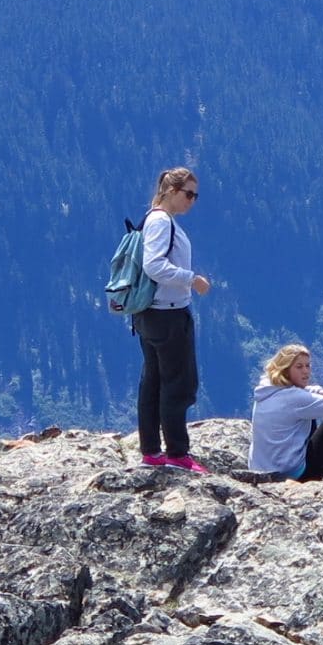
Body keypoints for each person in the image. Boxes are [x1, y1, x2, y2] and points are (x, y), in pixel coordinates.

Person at [135, 167, 209, 471]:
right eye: (188, 193)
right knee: (177, 384)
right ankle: (178, 453)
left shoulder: (153, 219)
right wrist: (191, 279)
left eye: (195, 195)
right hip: (168, 314)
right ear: (172, 191)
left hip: (150, 313)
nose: (192, 200)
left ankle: (152, 451)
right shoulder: (162, 222)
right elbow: (154, 266)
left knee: (152, 381)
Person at [248, 343, 323, 480]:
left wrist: (321, 392)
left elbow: (302, 395)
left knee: (311, 411)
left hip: (263, 472)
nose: (306, 371)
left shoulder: (267, 391)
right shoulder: (295, 399)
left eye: (308, 365)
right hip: (294, 475)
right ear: (286, 370)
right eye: (299, 367)